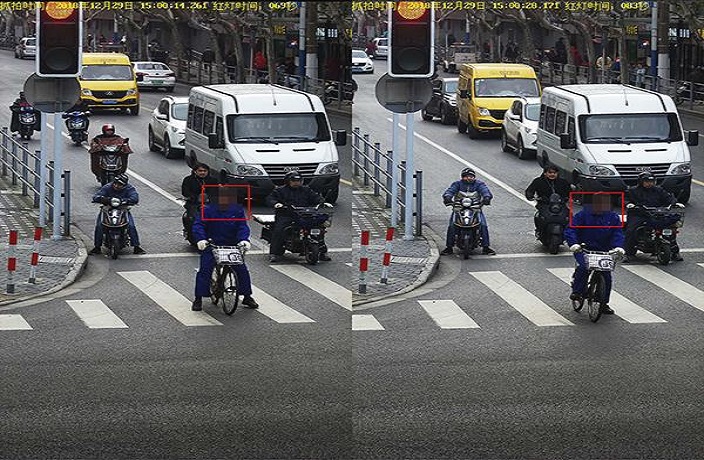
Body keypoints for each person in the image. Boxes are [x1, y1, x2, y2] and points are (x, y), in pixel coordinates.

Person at [191, 186, 258, 311]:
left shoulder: (237, 211)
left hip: (232, 245)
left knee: (242, 269)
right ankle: (198, 298)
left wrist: (244, 239)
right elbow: (198, 225)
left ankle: (247, 296)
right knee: (205, 270)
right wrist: (201, 239)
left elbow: (242, 227)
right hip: (212, 244)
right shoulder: (207, 210)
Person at [564, 193, 625, 314]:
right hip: (584, 248)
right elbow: (571, 229)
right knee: (583, 268)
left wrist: (618, 246)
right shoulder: (582, 215)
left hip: (604, 251)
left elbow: (617, 233)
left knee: (606, 276)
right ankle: (577, 291)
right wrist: (574, 244)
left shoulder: (613, 217)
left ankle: (603, 302)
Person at [266, 171, 332, 263]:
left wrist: (322, 202)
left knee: (319, 229)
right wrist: (277, 204)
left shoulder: (306, 190)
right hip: (287, 215)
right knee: (280, 230)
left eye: (298, 180)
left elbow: (316, 197)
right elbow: (270, 199)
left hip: (304, 214)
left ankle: (323, 252)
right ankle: (274, 253)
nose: (296, 182)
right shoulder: (280, 190)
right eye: (293, 180)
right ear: (288, 181)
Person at [624, 172, 683, 262]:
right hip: (639, 214)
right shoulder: (633, 191)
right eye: (647, 181)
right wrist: (629, 204)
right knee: (631, 230)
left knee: (671, 229)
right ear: (641, 182)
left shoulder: (659, 190)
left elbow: (668, 198)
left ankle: (675, 251)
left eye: (651, 181)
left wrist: (675, 203)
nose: (649, 183)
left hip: (656, 214)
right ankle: (627, 253)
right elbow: (625, 199)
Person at [441, 168, 496, 256]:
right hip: (458, 209)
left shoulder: (479, 184)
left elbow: (485, 191)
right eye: (466, 176)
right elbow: (450, 191)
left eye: (471, 176)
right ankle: (449, 247)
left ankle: (486, 247)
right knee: (452, 225)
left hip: (475, 209)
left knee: (483, 225)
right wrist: (447, 197)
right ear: (462, 177)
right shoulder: (457, 184)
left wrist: (487, 197)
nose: (469, 178)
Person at [90, 174, 145, 255]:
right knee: (99, 226)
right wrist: (105, 199)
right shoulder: (107, 187)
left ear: (124, 185)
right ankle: (97, 247)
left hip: (123, 209)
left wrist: (125, 201)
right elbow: (96, 196)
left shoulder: (129, 188)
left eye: (120, 185)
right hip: (107, 209)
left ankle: (136, 247)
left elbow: (135, 198)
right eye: (115, 183)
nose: (116, 186)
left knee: (131, 226)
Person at [524, 165, 572, 234]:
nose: (552, 174)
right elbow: (530, 190)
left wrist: (569, 197)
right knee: (539, 216)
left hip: (560, 204)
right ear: (545, 173)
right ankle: (539, 230)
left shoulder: (563, 182)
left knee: (570, 216)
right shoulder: (538, 181)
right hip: (544, 204)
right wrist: (530, 195)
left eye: (554, 173)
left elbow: (570, 192)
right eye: (550, 172)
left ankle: (569, 233)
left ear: (557, 173)